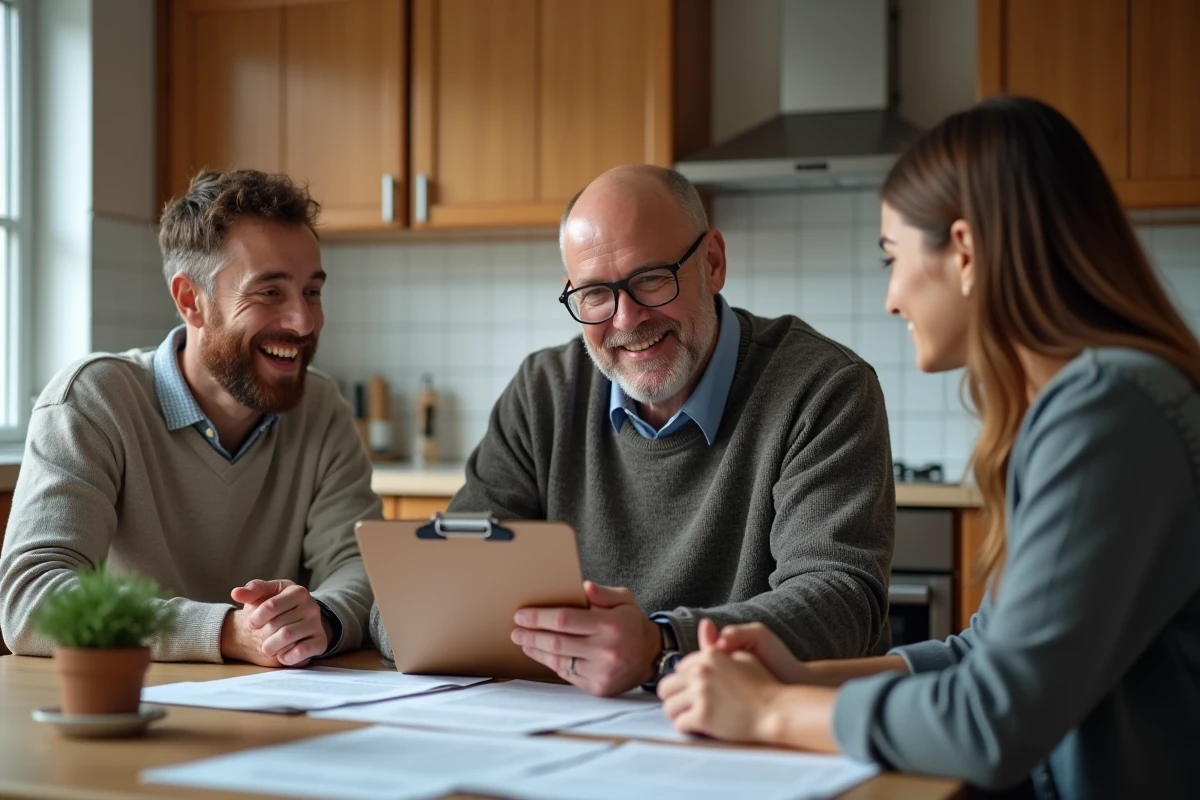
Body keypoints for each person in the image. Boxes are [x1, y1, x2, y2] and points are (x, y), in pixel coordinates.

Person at [658, 96, 1200, 799]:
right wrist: (799, 675)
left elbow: (991, 719)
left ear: (966, 252)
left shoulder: (1107, 411)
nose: (889, 298)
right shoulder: (1094, 402)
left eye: (893, 257)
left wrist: (766, 710)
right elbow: (982, 656)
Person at [371, 165, 896, 697]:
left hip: (755, 726)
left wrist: (661, 646)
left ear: (712, 263)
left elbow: (840, 602)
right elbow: (424, 605)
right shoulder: (543, 392)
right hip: (572, 729)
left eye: (650, 279)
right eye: (597, 294)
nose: (626, 320)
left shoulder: (823, 388)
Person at [0, 169, 380, 666]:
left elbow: (361, 566)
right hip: (127, 707)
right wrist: (224, 631)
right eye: (270, 292)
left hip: (278, 709)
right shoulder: (93, 401)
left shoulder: (323, 409)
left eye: (312, 291)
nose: (304, 321)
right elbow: (32, 598)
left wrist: (323, 618)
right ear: (190, 301)